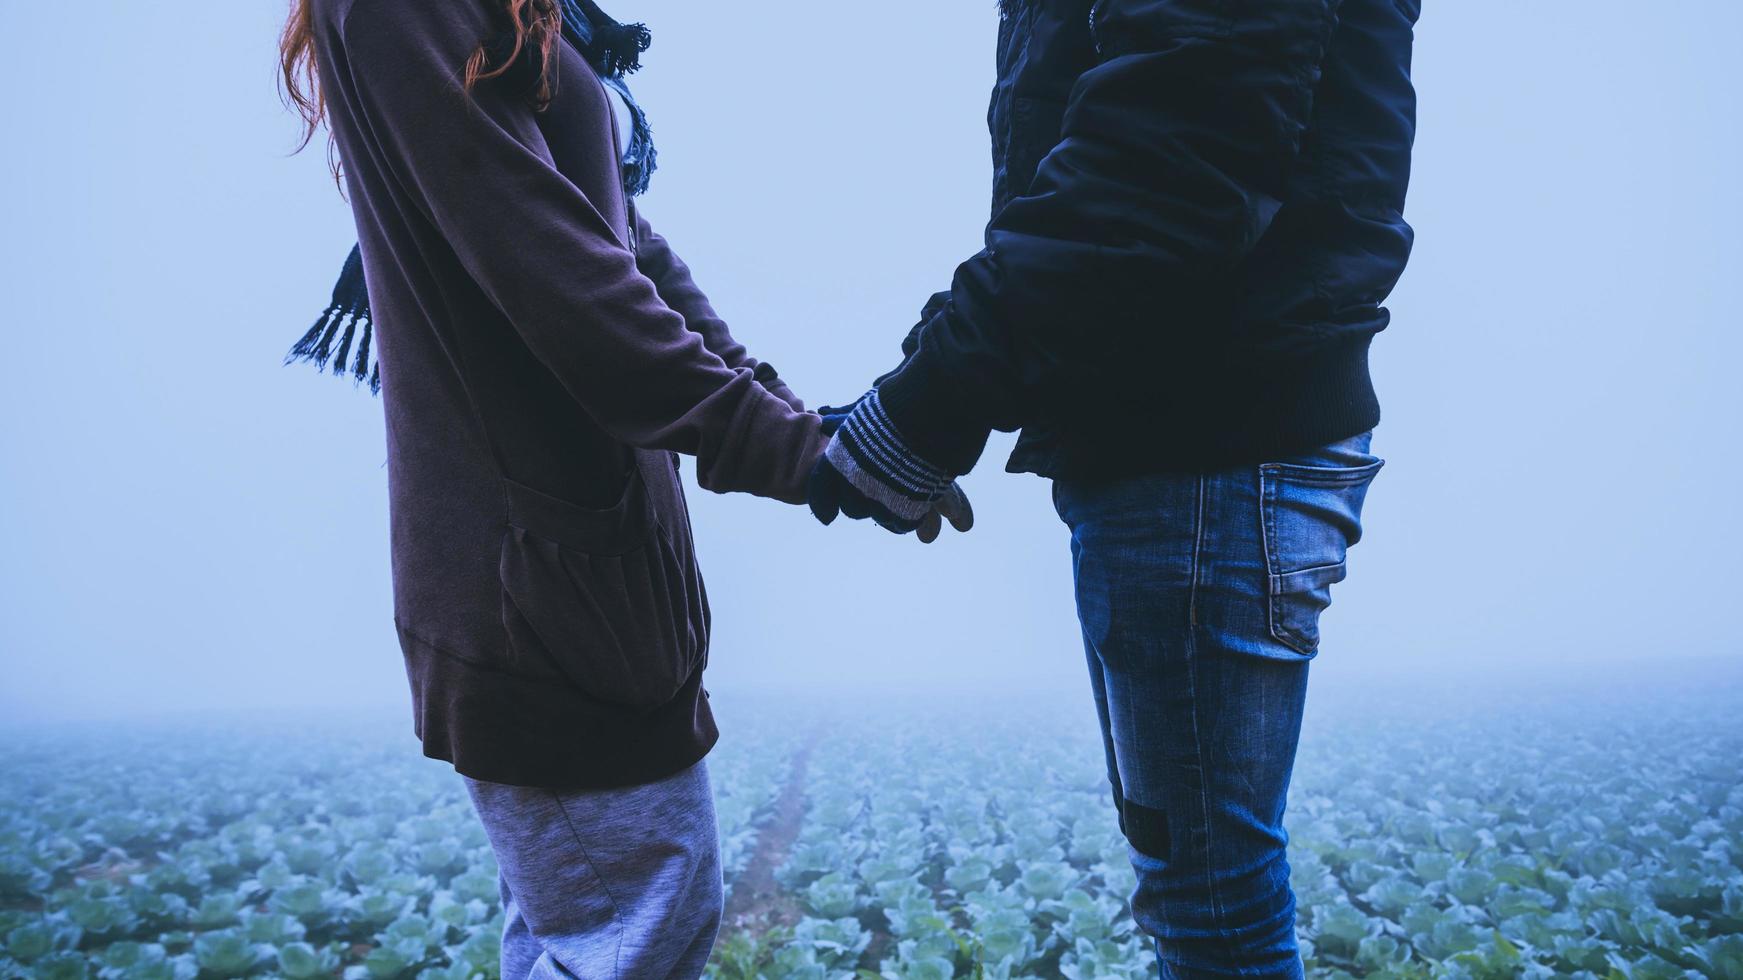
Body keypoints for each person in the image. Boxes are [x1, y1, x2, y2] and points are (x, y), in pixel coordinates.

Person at [279, 0, 967, 976]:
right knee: (635, 934)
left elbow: (618, 242)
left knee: (601, 933)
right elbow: (553, 268)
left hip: (590, 581)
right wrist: (789, 449)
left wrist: (796, 424)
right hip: (537, 588)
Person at [809, 1, 1419, 976]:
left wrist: (926, 407)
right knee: (1209, 903)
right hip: (1198, 443)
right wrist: (931, 386)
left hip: (1208, 446)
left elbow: (1170, 158)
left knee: (1215, 917)